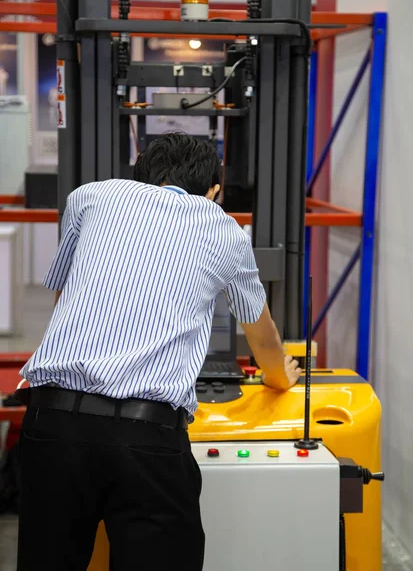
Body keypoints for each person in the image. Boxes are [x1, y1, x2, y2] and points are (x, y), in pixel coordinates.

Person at [17, 132, 301, 571]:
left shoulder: (90, 197)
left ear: (140, 173)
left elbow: (64, 301)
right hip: (147, 440)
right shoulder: (224, 229)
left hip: (51, 426)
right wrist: (279, 376)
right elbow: (262, 339)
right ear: (214, 191)